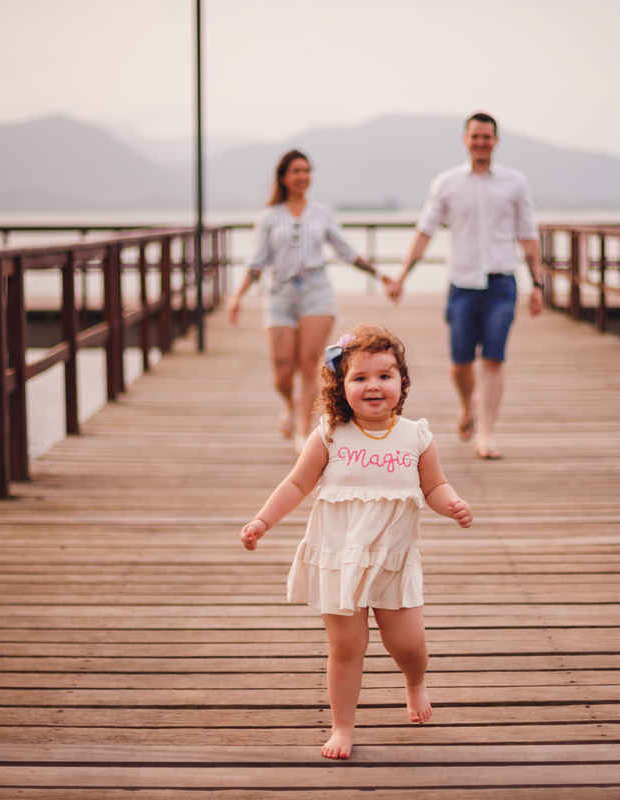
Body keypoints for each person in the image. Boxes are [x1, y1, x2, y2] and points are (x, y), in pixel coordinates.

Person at [239, 323, 473, 760]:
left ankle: (415, 680)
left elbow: (434, 487)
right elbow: (296, 484)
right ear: (341, 386)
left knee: (407, 645)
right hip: (339, 559)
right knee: (346, 647)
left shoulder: (416, 436)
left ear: (402, 382)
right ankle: (342, 726)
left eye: (385, 375)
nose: (373, 385)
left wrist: (453, 504)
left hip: (392, 561)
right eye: (360, 377)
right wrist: (262, 521)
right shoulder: (330, 434)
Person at [387, 112, 545, 460]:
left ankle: (486, 434)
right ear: (465, 139)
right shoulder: (447, 183)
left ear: (496, 140)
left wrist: (538, 284)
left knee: (493, 359)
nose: (481, 143)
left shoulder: (515, 183)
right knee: (460, 363)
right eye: (475, 136)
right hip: (461, 285)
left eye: (487, 137)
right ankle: (465, 404)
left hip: (501, 284)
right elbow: (425, 231)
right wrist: (401, 276)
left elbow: (528, 234)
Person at [227, 149, 388, 452]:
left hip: (316, 293)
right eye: (296, 171)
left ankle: (303, 431)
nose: (303, 176)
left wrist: (379, 275)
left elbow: (346, 251)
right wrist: (237, 297)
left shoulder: (322, 213)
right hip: (280, 295)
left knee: (310, 365)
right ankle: (289, 403)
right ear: (283, 177)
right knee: (282, 372)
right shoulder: (269, 217)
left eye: (307, 171)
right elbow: (256, 262)